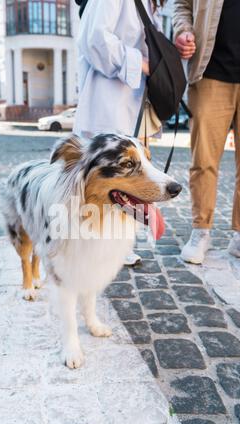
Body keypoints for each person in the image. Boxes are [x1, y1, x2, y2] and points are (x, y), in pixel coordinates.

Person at [73, 0, 164, 266]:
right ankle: (92, 243)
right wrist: (143, 65)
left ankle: (116, 243)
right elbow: (95, 39)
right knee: (103, 176)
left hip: (135, 101)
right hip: (109, 99)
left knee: (130, 178)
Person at [173, 0, 240, 265]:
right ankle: (201, 231)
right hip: (210, 74)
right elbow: (182, 5)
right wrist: (183, 30)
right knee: (203, 160)